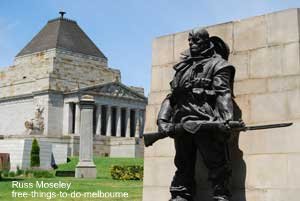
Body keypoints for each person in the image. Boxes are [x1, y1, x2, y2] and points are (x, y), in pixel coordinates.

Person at [157, 28, 240, 201]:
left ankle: (221, 195)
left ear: (207, 41)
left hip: (206, 123)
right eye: (190, 41)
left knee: (216, 164)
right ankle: (180, 195)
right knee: (183, 164)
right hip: (181, 124)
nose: (192, 44)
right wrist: (162, 119)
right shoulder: (182, 68)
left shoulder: (219, 65)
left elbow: (223, 93)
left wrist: (226, 120)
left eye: (196, 41)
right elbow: (171, 97)